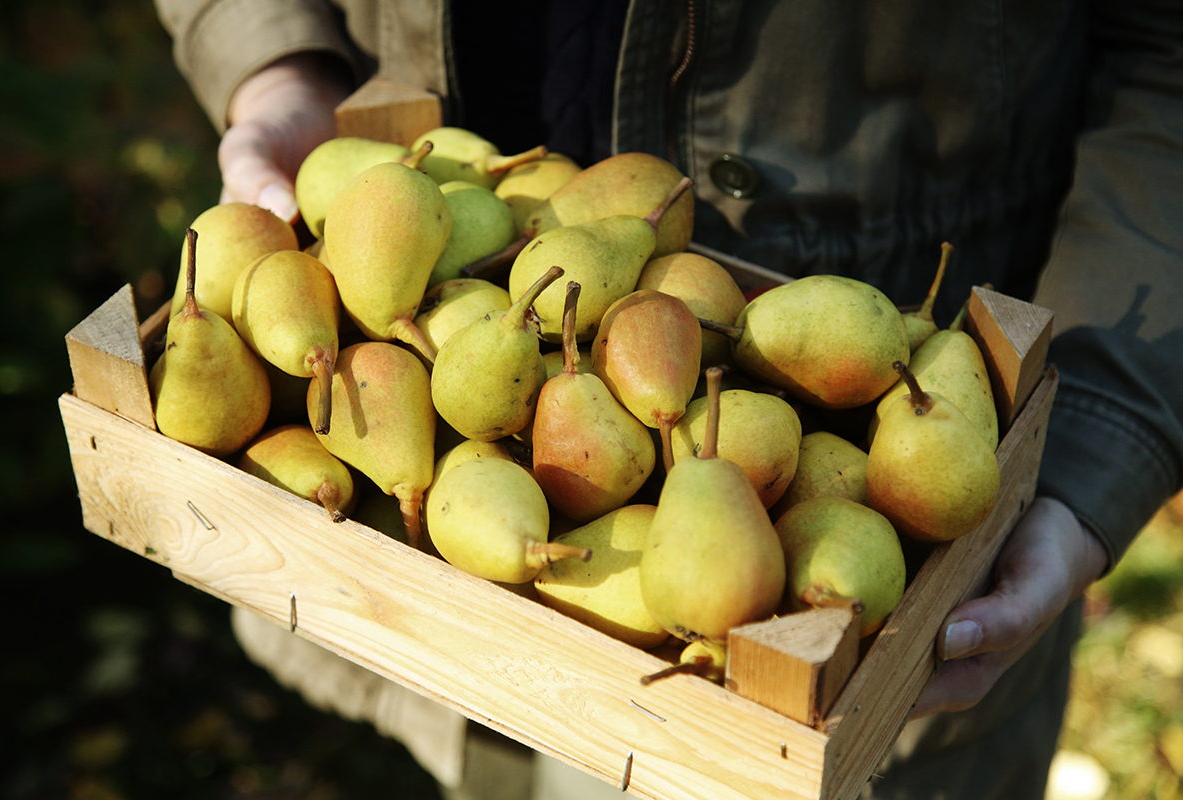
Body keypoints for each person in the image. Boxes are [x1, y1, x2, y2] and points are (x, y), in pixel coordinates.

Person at [153, 1, 1183, 797]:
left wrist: (1096, 433)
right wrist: (273, 56)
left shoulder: (745, 403)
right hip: (442, 607)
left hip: (862, 691)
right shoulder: (440, 334)